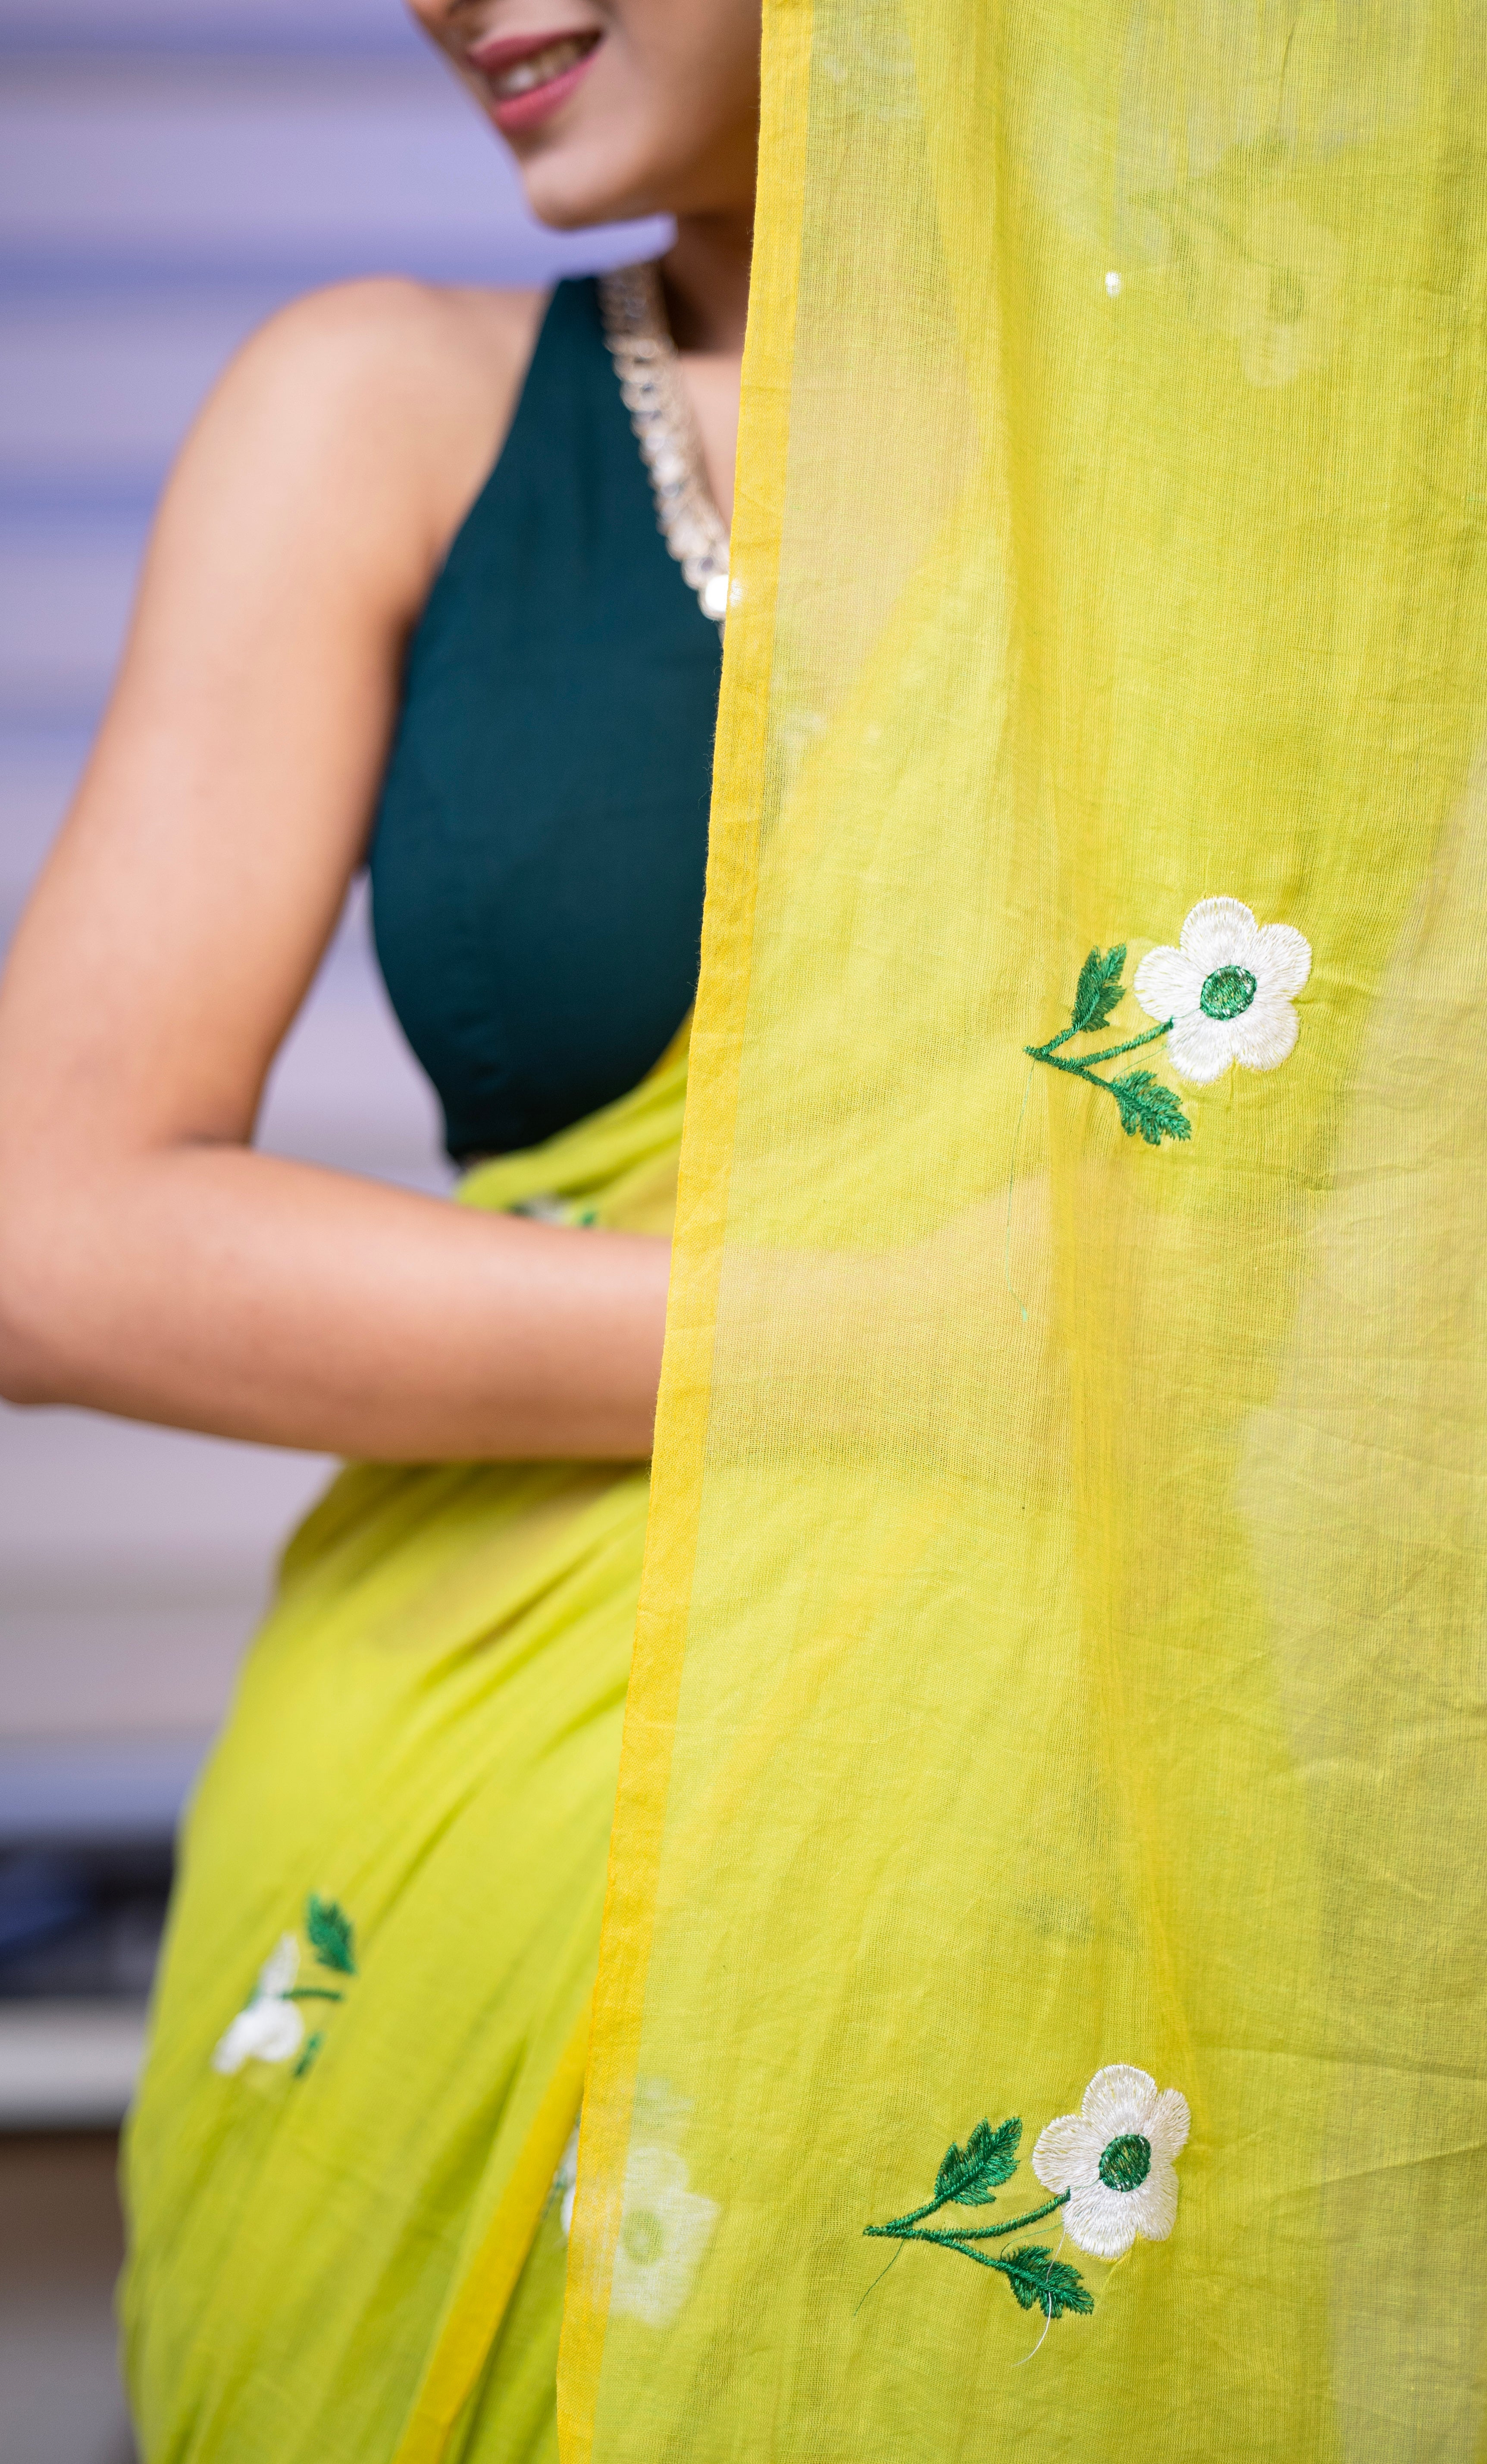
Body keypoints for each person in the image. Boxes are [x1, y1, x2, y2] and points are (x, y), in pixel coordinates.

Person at [0, 5, 760, 2458]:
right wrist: (866, 1347)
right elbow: (47, 1224)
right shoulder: (389, 413)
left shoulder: (1318, 431)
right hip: (458, 1883)